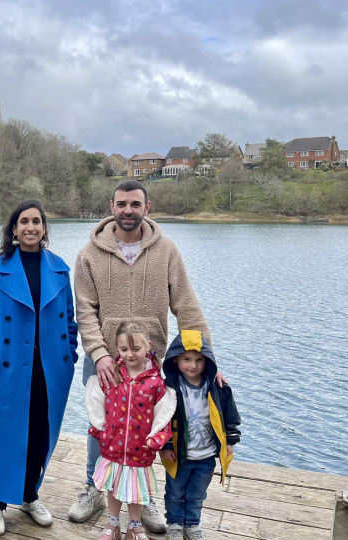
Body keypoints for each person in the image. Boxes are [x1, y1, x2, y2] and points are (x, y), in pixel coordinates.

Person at [70, 179, 221, 533]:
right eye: (122, 204)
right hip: (105, 359)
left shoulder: (166, 250)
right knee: (101, 427)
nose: (128, 210)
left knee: (149, 429)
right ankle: (94, 488)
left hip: (151, 364)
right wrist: (100, 353)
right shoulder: (88, 254)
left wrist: (209, 359)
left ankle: (144, 499)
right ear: (111, 206)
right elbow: (85, 310)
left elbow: (187, 307)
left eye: (135, 204)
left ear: (146, 208)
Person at [0, 200, 80, 536]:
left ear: (44, 228)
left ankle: (30, 495)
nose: (31, 227)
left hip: (49, 369)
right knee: (2, 433)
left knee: (39, 432)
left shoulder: (59, 268)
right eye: (24, 222)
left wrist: (70, 353)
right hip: (7, 366)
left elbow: (69, 320)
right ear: (14, 230)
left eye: (37, 221)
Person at [85, 321, 176, 540]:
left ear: (148, 346)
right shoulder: (113, 375)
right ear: (117, 347)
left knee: (136, 490)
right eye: (124, 349)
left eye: (136, 349)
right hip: (113, 446)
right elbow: (98, 403)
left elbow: (164, 415)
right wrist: (99, 429)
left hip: (140, 449)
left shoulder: (156, 383)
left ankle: (135, 526)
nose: (130, 354)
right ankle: (112, 524)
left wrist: (158, 439)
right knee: (113, 485)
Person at [160, 330, 241, 540]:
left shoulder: (218, 387)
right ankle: (175, 523)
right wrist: (167, 446)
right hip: (179, 455)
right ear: (175, 359)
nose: (193, 365)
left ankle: (192, 524)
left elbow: (230, 417)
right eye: (186, 359)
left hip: (206, 455)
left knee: (197, 494)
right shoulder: (169, 388)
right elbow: (162, 420)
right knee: (175, 492)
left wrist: (230, 442)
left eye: (199, 360)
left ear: (208, 361)